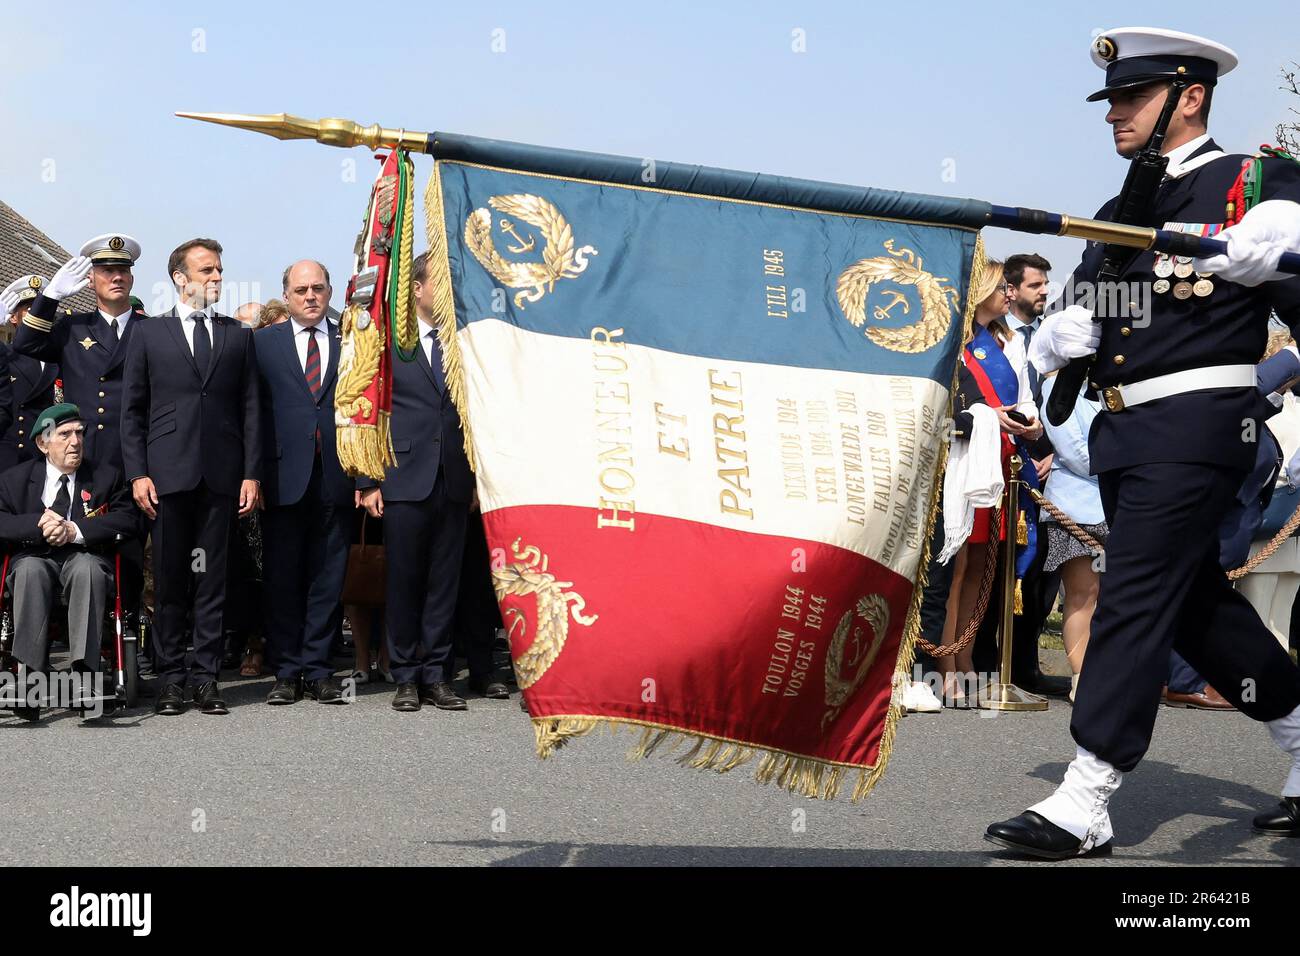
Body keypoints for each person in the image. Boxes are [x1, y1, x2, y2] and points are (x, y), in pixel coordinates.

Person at [988, 26, 1300, 858]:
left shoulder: (1253, 182)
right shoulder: (1126, 211)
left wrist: (1273, 244)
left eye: (1131, 97)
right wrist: (1064, 335)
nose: (1114, 114)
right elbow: (1117, 317)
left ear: (1189, 97)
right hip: (1128, 434)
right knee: (1191, 605)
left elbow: (1277, 259)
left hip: (1199, 428)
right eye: (1112, 99)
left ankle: (1087, 795)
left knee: (1132, 593)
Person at [120, 238, 262, 717]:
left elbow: (250, 409)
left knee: (213, 581)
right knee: (171, 579)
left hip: (222, 477)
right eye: (207, 270)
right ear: (180, 279)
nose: (217, 277)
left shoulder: (236, 335)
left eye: (220, 269)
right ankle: (170, 680)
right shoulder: (149, 334)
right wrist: (137, 473)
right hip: (167, 477)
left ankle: (205, 678)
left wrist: (251, 473)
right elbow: (132, 410)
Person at [357, 251, 474, 713]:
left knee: (445, 582)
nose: (446, 293)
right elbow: (365, 410)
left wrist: (478, 481)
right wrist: (368, 480)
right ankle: (405, 674)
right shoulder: (389, 343)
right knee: (403, 580)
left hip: (453, 479)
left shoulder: (464, 343)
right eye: (438, 284)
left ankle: (437, 674)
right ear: (418, 289)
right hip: (402, 478)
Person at [935, 258, 1043, 705]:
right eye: (1002, 286)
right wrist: (992, 418)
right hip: (966, 459)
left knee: (983, 566)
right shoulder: (954, 340)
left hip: (1000, 458)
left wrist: (1029, 422)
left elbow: (1018, 398)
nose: (1010, 293)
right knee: (958, 567)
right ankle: (945, 665)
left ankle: (967, 659)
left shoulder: (1003, 340)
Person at [0, 404, 139, 721]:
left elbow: (127, 519)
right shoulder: (14, 480)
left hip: (84, 557)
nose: (75, 441)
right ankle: (28, 679)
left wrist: (74, 530)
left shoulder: (105, 477)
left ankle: (84, 678)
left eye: (79, 433)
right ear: (43, 443)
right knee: (30, 570)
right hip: (36, 558)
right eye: (64, 434)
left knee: (87, 568)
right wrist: (38, 523)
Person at [256, 261, 351, 705]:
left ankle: (318, 669)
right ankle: (285, 671)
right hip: (281, 477)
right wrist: (250, 473)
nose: (310, 296)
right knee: (282, 577)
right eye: (301, 290)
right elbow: (252, 412)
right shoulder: (262, 344)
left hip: (337, 474)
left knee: (327, 577)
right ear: (287, 296)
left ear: (330, 291)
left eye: (317, 288)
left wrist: (366, 476)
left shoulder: (353, 341)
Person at [996, 253, 1071, 698]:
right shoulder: (995, 338)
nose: (1044, 291)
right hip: (1006, 466)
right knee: (996, 568)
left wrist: (1055, 456)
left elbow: (1070, 403)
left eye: (1046, 284)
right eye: (1035, 285)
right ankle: (985, 661)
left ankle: (1024, 665)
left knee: (1043, 574)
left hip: (1053, 467)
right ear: (1012, 289)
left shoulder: (1057, 337)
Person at [12, 235, 148, 470]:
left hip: (138, 456)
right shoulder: (73, 327)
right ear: (91, 279)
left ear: (132, 278)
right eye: (107, 270)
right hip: (85, 454)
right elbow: (25, 344)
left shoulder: (152, 329)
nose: (117, 277)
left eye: (123, 270)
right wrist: (50, 296)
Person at [1037, 374, 1104, 702]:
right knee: (1083, 594)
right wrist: (1121, 465)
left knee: (1113, 597)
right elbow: (1073, 450)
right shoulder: (1056, 386)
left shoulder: (1111, 386)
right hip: (1076, 504)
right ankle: (1082, 676)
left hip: (1119, 504)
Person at [0, 275, 54, 471]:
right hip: (11, 456)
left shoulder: (61, 355)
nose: (38, 315)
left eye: (42, 309)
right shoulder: (4, 355)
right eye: (30, 310)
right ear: (13, 317)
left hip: (50, 457)